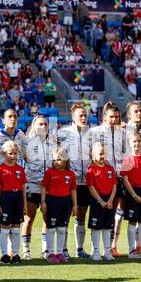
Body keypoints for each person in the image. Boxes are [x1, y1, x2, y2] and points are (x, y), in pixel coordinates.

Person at [89, 102, 126, 257]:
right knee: (97, 213)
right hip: (99, 178)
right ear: (105, 117)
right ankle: (94, 249)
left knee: (113, 212)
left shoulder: (123, 133)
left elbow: (126, 152)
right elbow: (90, 154)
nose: (114, 120)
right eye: (111, 117)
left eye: (116, 117)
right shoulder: (95, 132)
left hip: (117, 177)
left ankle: (111, 246)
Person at [58, 104, 94, 259]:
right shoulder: (62, 133)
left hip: (85, 182)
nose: (83, 118)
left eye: (85, 115)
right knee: (65, 216)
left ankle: (80, 249)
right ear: (73, 117)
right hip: (68, 182)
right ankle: (63, 250)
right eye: (80, 115)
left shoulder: (92, 134)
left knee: (81, 215)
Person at [0, 109, 26, 261]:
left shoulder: (21, 136)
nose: (13, 119)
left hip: (17, 194)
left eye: (15, 116)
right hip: (3, 191)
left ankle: (15, 253)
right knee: (1, 224)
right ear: (3, 120)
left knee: (16, 227)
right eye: (9, 117)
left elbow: (26, 155)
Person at [23, 116, 56, 260]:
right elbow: (23, 157)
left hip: (48, 187)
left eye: (45, 124)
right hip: (32, 184)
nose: (43, 126)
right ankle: (26, 250)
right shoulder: (27, 142)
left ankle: (45, 249)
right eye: (40, 124)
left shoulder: (53, 143)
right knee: (28, 218)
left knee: (47, 218)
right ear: (34, 126)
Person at [121, 131, 141, 259]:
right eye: (134, 141)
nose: (137, 144)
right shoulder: (128, 159)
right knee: (132, 222)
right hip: (132, 193)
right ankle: (132, 250)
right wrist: (134, 195)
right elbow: (125, 179)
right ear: (130, 143)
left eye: (139, 141)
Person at [41, 147, 78, 263]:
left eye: (58, 159)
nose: (56, 162)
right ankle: (50, 253)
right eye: (54, 160)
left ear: (65, 160)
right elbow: (43, 187)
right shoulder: (49, 172)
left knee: (62, 229)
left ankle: (60, 253)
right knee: (51, 229)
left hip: (65, 202)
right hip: (52, 201)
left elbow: (73, 190)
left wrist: (75, 205)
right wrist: (43, 202)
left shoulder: (70, 174)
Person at [0, 141, 27, 265]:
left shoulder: (20, 169)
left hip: (18, 197)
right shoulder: (0, 169)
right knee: (5, 227)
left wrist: (24, 204)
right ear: (4, 154)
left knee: (16, 227)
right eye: (10, 153)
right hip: (5, 198)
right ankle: (4, 254)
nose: (13, 156)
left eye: (15, 153)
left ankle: (16, 254)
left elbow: (23, 187)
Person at [86, 142, 117, 261]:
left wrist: (110, 201)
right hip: (97, 201)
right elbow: (91, 187)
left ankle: (107, 252)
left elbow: (114, 185)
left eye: (104, 154)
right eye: (100, 154)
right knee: (96, 227)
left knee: (107, 227)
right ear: (93, 154)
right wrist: (100, 200)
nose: (102, 156)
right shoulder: (91, 170)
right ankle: (96, 252)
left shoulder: (110, 169)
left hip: (109, 201)